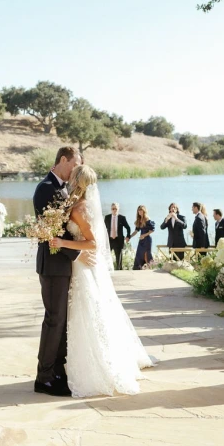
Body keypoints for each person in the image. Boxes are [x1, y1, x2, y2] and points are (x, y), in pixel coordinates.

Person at [49, 165, 152, 397]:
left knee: (87, 313)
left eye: (72, 176)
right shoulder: (80, 205)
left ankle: (95, 368)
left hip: (82, 266)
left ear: (77, 181)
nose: (69, 179)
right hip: (81, 264)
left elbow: (93, 243)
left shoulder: (80, 208)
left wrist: (62, 243)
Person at [33, 146, 87, 397]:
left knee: (61, 321)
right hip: (53, 264)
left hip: (63, 264)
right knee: (54, 320)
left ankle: (57, 372)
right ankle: (43, 378)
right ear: (63, 160)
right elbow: (50, 231)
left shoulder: (63, 187)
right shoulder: (46, 188)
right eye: (74, 164)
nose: (76, 169)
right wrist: (78, 252)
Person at [105, 202, 131, 270]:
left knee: (118, 258)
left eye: (116, 209)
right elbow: (103, 228)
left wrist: (128, 236)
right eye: (113, 209)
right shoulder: (107, 217)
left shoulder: (122, 218)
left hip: (118, 240)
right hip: (109, 240)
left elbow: (128, 227)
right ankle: (106, 269)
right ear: (111, 209)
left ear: (118, 209)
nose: (114, 210)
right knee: (106, 256)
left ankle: (119, 270)